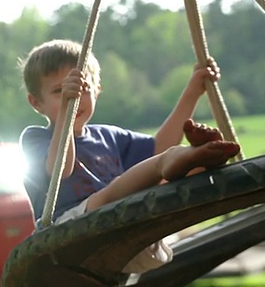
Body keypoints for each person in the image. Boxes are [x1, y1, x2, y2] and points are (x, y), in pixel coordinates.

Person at [18, 39, 240, 273]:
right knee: (112, 194)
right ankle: (185, 156)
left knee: (183, 170)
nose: (74, 98)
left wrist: (193, 91)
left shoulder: (108, 136)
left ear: (97, 89)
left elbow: (158, 148)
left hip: (124, 232)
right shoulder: (35, 138)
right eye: (59, 91)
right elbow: (60, 169)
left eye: (83, 89)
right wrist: (66, 110)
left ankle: (199, 160)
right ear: (36, 103)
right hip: (71, 238)